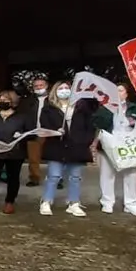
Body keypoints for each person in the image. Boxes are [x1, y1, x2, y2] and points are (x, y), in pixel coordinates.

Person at [39, 83, 100, 217]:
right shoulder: (48, 109)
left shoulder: (82, 107)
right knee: (54, 176)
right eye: (60, 88)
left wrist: (85, 141)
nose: (64, 91)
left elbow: (90, 126)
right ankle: (46, 201)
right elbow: (44, 125)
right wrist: (55, 131)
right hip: (56, 146)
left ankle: (74, 203)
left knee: (75, 177)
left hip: (77, 147)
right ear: (55, 91)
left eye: (66, 88)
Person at [94, 83, 136, 216]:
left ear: (126, 93)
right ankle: (107, 202)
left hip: (129, 146)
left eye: (120, 90)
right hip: (109, 145)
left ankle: (131, 204)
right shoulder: (105, 108)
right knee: (107, 175)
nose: (117, 93)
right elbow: (98, 123)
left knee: (130, 175)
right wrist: (110, 111)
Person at [0, 90, 32, 214]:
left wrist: (22, 135)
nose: (3, 102)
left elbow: (31, 133)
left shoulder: (22, 117)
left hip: (15, 152)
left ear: (13, 102)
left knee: (13, 177)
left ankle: (10, 202)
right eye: (1, 100)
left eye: (6, 100)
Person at [19, 76, 49, 186]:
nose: (39, 87)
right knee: (33, 158)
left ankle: (56, 179)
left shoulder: (53, 100)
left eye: (41, 85)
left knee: (54, 158)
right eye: (36, 86)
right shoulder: (28, 101)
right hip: (33, 132)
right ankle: (34, 178)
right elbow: (22, 115)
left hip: (50, 132)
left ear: (46, 86)